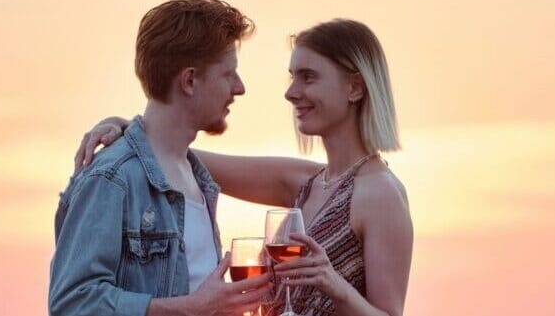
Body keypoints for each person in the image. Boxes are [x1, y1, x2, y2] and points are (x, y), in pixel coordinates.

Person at [77, 19, 413, 316]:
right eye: (293, 77)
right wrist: (128, 129)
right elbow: (183, 157)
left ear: (354, 87)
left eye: (308, 77)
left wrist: (332, 283)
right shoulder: (309, 182)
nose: (291, 93)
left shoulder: (380, 193)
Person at [49, 0, 272, 316]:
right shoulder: (112, 177)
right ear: (190, 80)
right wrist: (192, 308)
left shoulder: (198, 178)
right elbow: (72, 303)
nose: (239, 88)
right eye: (228, 74)